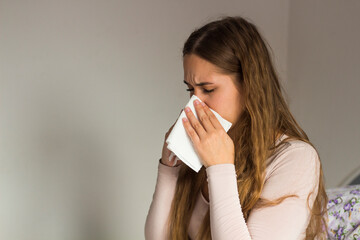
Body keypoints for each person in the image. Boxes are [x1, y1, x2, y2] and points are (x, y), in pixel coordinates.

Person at [144, 15, 329, 240]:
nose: (194, 104)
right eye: (190, 90)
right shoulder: (203, 148)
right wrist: (168, 169)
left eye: (208, 90)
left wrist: (220, 167)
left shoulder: (296, 158)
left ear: (249, 85)